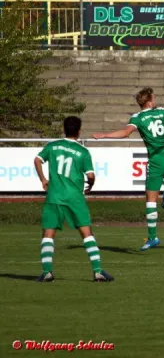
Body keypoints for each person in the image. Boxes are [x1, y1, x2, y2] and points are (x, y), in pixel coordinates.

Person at [92, 87, 164, 251]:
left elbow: (125, 133)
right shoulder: (163, 112)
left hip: (157, 159)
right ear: (149, 101)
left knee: (150, 199)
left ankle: (152, 237)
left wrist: (105, 135)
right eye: (154, 98)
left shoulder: (138, 117)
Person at [34, 116, 113, 282]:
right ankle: (97, 270)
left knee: (48, 233)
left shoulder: (52, 146)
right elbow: (90, 175)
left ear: (64, 129)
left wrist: (43, 179)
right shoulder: (83, 152)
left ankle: (47, 271)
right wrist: (91, 183)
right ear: (78, 131)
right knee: (86, 233)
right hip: (75, 198)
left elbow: (37, 160)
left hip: (54, 196)